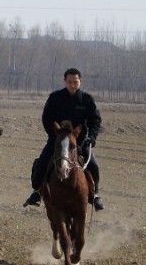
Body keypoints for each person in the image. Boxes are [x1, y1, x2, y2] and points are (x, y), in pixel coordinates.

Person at [24, 68, 104, 210]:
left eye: (75, 82)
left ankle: (95, 195)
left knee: (94, 166)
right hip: (57, 140)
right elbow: (46, 118)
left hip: (80, 142)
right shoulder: (55, 97)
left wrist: (91, 137)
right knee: (41, 163)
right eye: (69, 82)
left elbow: (95, 120)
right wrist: (54, 135)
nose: (72, 85)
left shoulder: (87, 100)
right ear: (64, 81)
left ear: (80, 81)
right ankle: (36, 192)